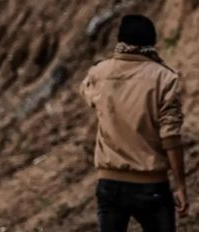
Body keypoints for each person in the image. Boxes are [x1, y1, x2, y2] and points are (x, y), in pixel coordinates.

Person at [80, 14, 188, 232]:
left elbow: (87, 91)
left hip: (110, 184)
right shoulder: (165, 79)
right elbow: (170, 138)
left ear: (120, 40)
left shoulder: (100, 73)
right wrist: (181, 186)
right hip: (151, 185)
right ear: (152, 42)